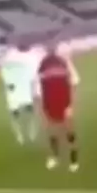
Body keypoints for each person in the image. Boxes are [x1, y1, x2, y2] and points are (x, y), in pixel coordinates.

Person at [37, 39, 80, 171]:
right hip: (49, 103)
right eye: (48, 48)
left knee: (69, 131)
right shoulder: (42, 64)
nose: (50, 50)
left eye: (52, 47)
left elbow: (74, 83)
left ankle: (74, 159)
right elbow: (39, 87)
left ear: (55, 49)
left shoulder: (64, 62)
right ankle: (54, 157)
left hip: (64, 102)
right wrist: (41, 106)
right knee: (52, 132)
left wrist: (71, 105)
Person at [0, 37, 40, 144]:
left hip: (24, 90)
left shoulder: (31, 56)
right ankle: (20, 134)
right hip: (15, 91)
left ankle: (30, 132)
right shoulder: (10, 56)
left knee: (30, 113)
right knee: (17, 115)